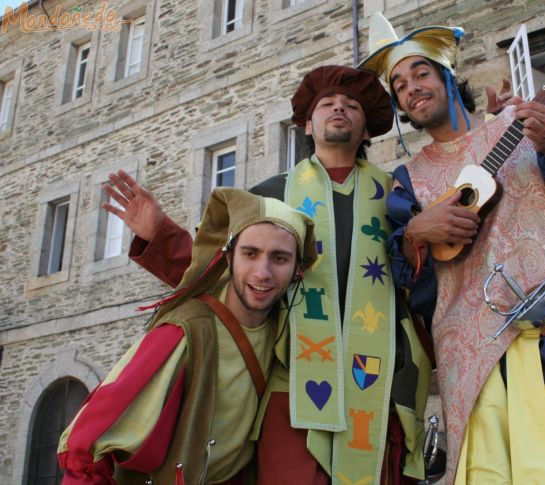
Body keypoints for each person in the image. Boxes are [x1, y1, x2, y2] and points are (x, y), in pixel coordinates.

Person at [99, 66, 432, 485]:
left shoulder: (400, 198)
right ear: (307, 124)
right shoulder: (269, 197)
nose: (339, 109)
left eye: (351, 105)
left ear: (368, 129)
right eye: (327, 104)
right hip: (291, 379)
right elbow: (221, 274)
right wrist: (159, 234)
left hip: (379, 382)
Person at [358, 11, 545, 485]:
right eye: (400, 85)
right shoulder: (406, 182)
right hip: (475, 354)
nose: (411, 87)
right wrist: (415, 235)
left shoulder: (526, 125)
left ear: (448, 76)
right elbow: (406, 287)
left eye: (421, 72)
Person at [57, 188, 317, 484]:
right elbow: (88, 445)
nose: (262, 272)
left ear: (298, 270)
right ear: (229, 258)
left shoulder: (287, 327)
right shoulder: (185, 331)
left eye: (280, 258)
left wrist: (161, 236)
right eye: (250, 253)